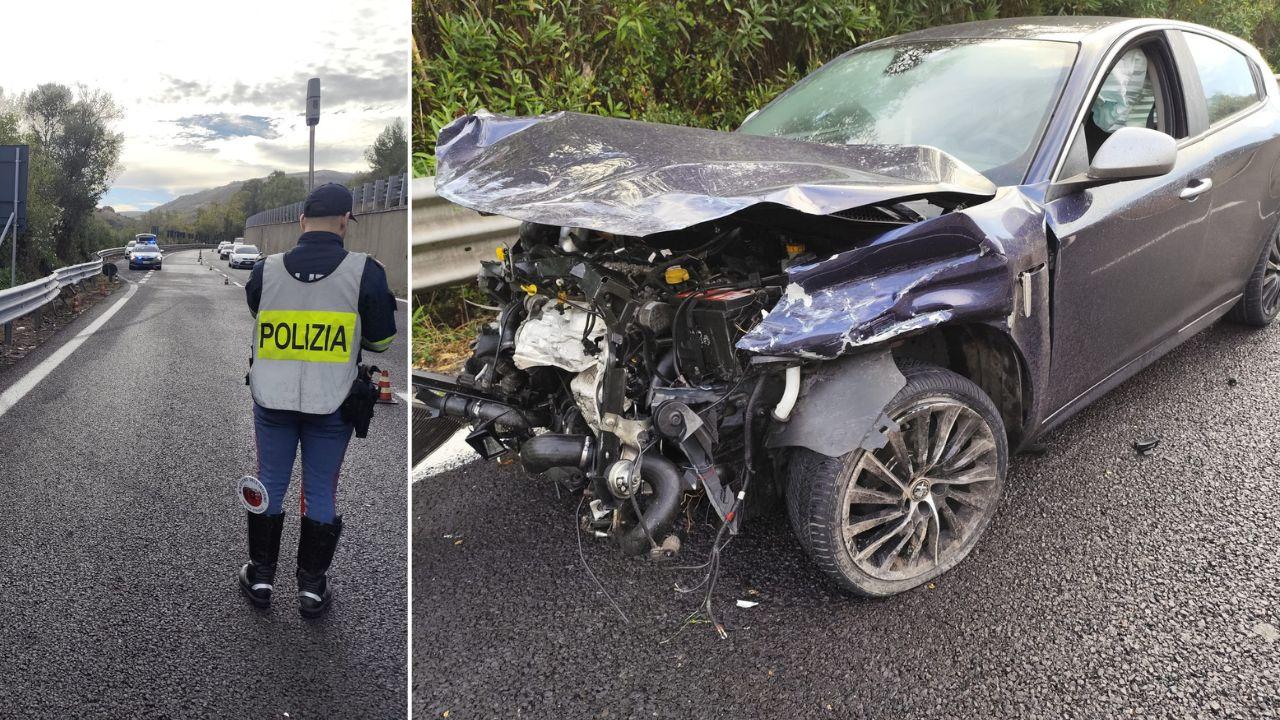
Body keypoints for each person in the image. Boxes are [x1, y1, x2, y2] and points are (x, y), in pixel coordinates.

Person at [237, 183, 397, 618]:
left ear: (302, 221)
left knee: (270, 482)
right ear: (345, 221)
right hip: (333, 402)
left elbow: (258, 313)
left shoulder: (265, 270)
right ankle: (311, 588)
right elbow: (382, 341)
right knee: (320, 492)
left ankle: (261, 577)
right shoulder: (366, 271)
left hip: (271, 400)